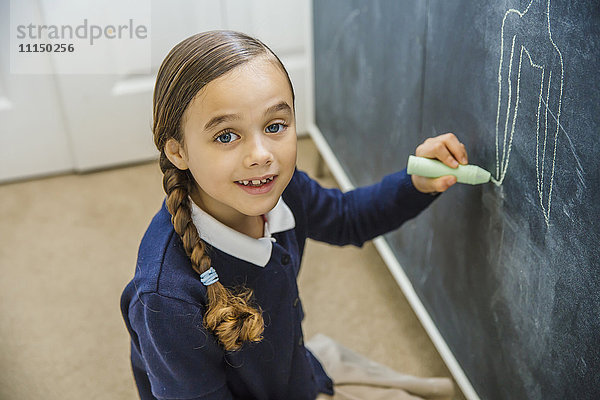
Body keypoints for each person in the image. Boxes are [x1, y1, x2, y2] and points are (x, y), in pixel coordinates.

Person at [120, 30, 467, 400]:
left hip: (290, 369)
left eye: (274, 126)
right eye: (226, 136)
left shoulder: (282, 188)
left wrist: (415, 183)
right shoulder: (165, 298)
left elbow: (348, 218)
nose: (260, 154)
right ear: (178, 151)